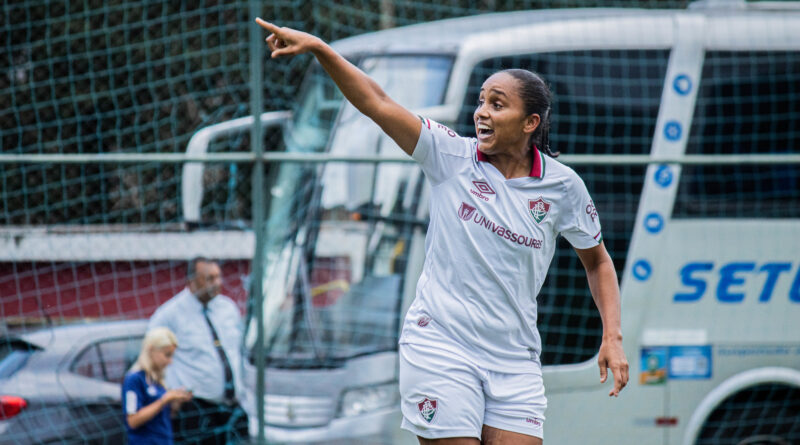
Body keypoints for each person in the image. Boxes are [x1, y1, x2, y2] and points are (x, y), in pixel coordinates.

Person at [255, 18, 629, 445]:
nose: (482, 112)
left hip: (515, 358)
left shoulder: (563, 186)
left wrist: (612, 337)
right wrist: (322, 49)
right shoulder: (449, 155)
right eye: (481, 101)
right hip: (441, 347)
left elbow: (597, 261)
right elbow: (377, 102)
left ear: (530, 123)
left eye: (497, 104)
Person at [148, 258, 249, 444]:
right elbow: (152, 358)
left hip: (234, 405)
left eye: (218, 277)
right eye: (209, 279)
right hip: (196, 407)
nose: (217, 283)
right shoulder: (170, 315)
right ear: (191, 282)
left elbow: (239, 351)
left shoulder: (227, 308)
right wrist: (168, 392)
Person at [122, 327, 193, 445]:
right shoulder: (134, 379)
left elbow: (161, 417)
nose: (170, 361)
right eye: (167, 355)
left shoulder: (157, 379)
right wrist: (164, 400)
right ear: (151, 350)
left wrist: (175, 402)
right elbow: (132, 421)